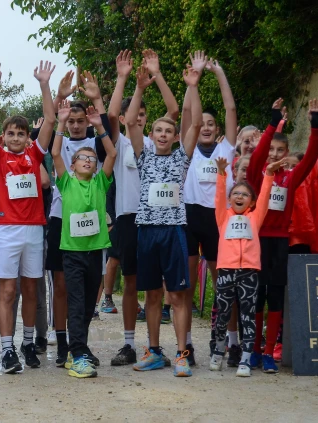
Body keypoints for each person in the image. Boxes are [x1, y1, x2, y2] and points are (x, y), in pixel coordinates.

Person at [129, 57, 203, 377]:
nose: (161, 134)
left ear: (174, 136)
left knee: (177, 293)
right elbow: (131, 121)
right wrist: (139, 86)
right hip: (147, 230)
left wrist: (192, 87)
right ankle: (155, 351)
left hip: (173, 230)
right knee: (153, 294)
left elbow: (196, 124)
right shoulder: (143, 156)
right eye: (157, 130)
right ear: (152, 135)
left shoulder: (181, 158)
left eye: (167, 131)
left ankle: (182, 354)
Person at [107, 49, 180, 367]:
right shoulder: (123, 142)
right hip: (128, 218)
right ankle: (128, 344)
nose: (139, 118)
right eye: (133, 115)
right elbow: (111, 115)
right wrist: (129, 82)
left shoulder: (157, 142)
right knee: (132, 282)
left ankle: (169, 346)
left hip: (160, 219)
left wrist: (157, 74)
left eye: (143, 115)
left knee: (161, 285)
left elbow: (174, 110)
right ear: (127, 120)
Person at [0, 60, 56, 373]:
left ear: (28, 137)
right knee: (7, 290)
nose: (15, 137)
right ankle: (6, 348)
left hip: (33, 231)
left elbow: (51, 120)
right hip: (6, 230)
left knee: (30, 289)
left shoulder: (34, 154)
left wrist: (44, 84)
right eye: (10, 133)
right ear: (4, 137)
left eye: (21, 133)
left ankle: (28, 343)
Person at [245, 97, 318, 373]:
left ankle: (267, 353)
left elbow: (311, 156)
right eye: (271, 149)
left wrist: (315, 125)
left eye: (280, 150)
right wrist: (273, 121)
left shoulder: (290, 178)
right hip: (256, 240)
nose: (274, 154)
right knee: (256, 296)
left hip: (279, 242)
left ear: (287, 152)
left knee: (276, 296)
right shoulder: (256, 175)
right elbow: (258, 154)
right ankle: (252, 348)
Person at [45, 69, 112, 367]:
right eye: (70, 121)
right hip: (64, 227)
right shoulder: (64, 168)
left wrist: (101, 121)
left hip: (94, 239)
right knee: (65, 289)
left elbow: (111, 151)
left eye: (79, 120)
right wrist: (57, 104)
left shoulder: (97, 156)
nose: (74, 125)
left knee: (89, 296)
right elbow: (53, 143)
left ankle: (80, 346)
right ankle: (67, 346)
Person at [182, 56, 237, 366]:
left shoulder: (226, 149)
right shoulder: (187, 149)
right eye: (202, 124)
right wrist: (194, 80)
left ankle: (231, 343)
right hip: (190, 216)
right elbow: (190, 115)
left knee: (224, 284)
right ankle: (186, 343)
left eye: (210, 124)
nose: (205, 126)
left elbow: (230, 109)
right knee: (187, 285)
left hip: (219, 219)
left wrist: (218, 72)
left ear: (217, 130)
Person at [210, 156, 280, 376]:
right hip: (226, 271)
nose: (239, 196)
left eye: (245, 194)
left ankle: (246, 359)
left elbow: (266, 196)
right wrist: (221, 174)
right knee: (222, 314)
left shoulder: (255, 217)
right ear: (231, 199)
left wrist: (269, 174)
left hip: (249, 272)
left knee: (248, 316)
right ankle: (218, 352)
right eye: (236, 193)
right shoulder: (223, 216)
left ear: (252, 202)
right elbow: (219, 197)